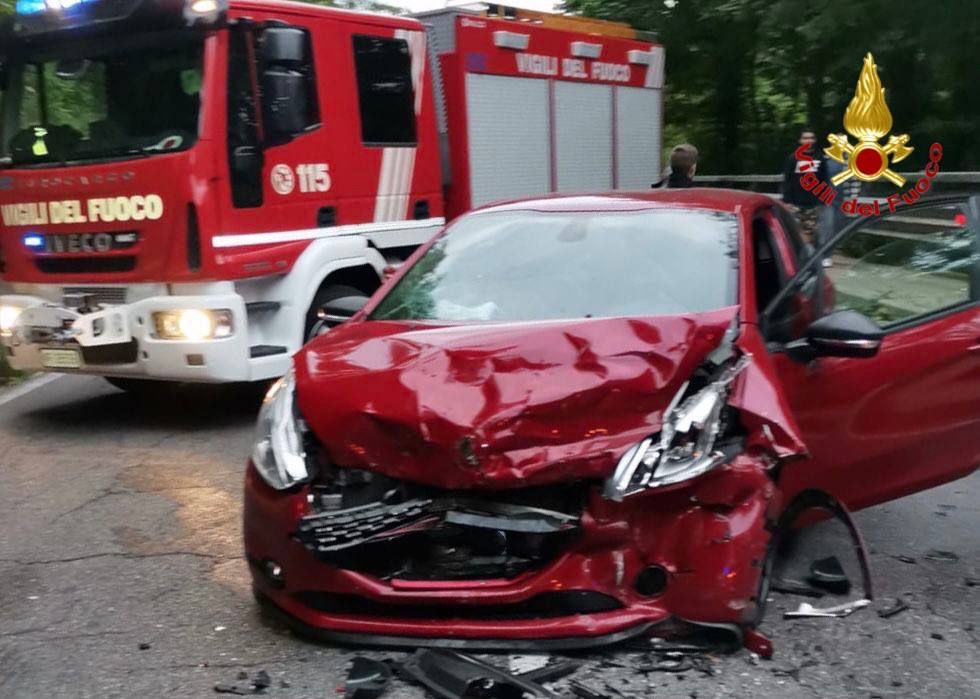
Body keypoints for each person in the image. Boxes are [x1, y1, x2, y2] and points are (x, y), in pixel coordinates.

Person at [781, 128, 826, 242]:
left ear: (814, 140)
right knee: (794, 233)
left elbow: (824, 179)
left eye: (811, 138)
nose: (808, 140)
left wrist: (822, 200)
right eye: (805, 138)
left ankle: (809, 252)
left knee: (810, 233)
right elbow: (787, 180)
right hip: (795, 203)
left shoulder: (820, 158)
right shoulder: (793, 158)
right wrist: (786, 201)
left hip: (813, 204)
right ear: (800, 140)